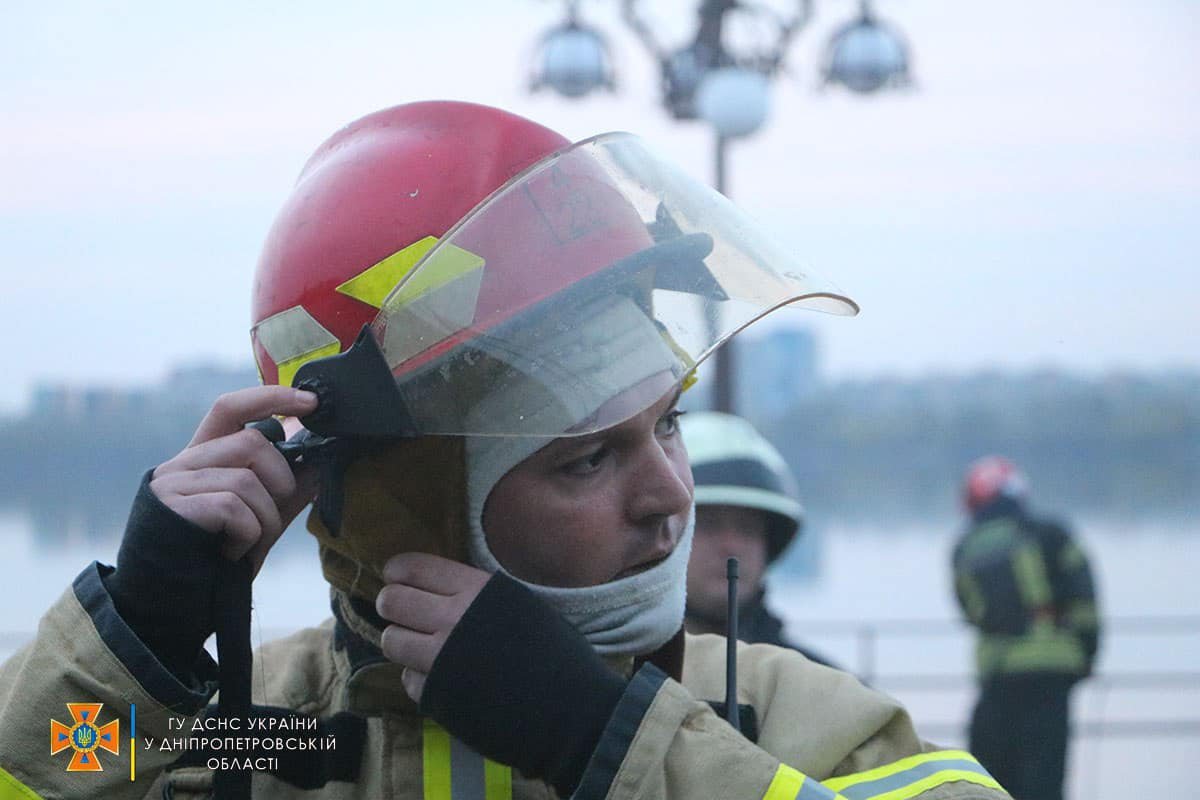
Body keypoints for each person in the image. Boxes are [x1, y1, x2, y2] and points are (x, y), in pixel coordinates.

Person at [0, 101, 1011, 800]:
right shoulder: (250, 731)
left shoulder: (785, 715)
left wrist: (606, 742)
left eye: (666, 423)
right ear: (413, 507)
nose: (670, 495)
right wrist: (133, 643)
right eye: (587, 459)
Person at [952, 456, 1101, 800]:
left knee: (990, 776)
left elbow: (969, 612)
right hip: (1053, 672)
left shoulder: (964, 548)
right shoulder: (1052, 535)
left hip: (997, 675)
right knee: (1044, 776)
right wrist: (1086, 656)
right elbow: (1085, 600)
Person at [682, 411, 839, 668]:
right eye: (708, 525)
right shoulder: (618, 678)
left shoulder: (818, 684)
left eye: (747, 529)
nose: (731, 546)